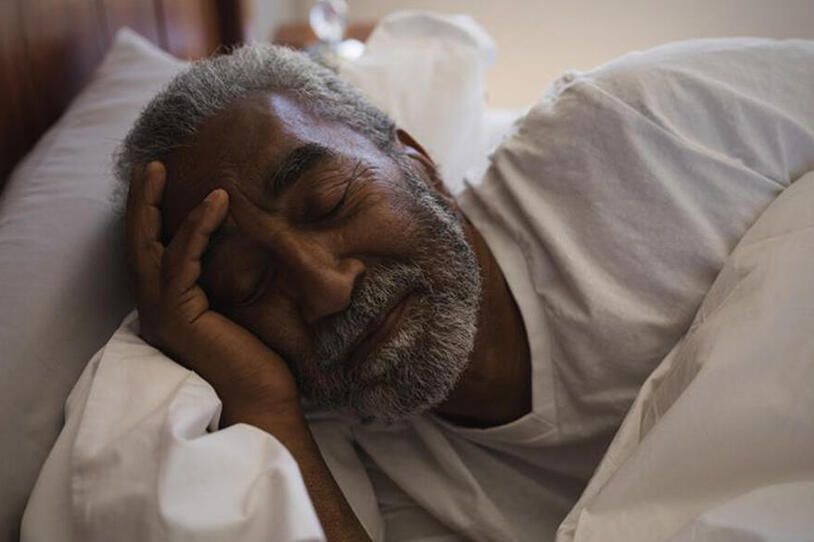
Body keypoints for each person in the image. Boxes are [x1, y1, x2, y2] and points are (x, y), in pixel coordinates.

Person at [118, 39, 814, 541]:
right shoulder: (348, 464)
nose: (326, 288)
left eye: (329, 202)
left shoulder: (642, 128)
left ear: (415, 163)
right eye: (252, 282)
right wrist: (266, 409)